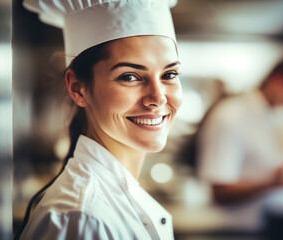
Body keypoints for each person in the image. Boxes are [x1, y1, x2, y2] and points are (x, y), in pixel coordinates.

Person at [15, 0, 181, 239]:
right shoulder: (80, 219)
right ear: (78, 88)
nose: (158, 98)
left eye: (170, 74)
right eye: (130, 76)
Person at [197, 57, 283, 239]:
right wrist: (270, 183)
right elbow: (219, 191)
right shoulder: (230, 116)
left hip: (279, 225)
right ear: (278, 80)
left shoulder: (280, 116)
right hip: (239, 230)